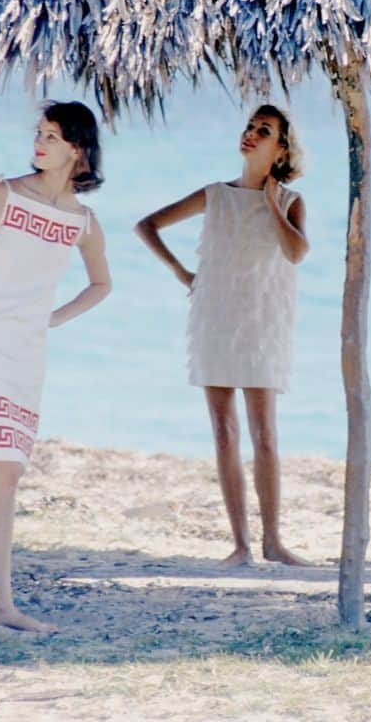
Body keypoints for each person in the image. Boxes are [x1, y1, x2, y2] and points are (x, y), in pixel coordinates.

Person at [0, 101, 112, 646]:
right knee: (5, 469)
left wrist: (52, 319)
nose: (39, 143)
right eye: (38, 133)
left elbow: (101, 284)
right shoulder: (6, 195)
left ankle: (0, 603)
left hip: (26, 349)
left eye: (52, 136)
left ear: (77, 149)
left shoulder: (82, 221)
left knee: (7, 473)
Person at [135, 105, 309, 567]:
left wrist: (272, 205)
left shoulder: (291, 201)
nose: (251, 135)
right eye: (251, 127)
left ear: (281, 149)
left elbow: (296, 252)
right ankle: (241, 544)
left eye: (264, 131)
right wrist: (182, 272)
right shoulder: (215, 195)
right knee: (225, 432)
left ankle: (274, 541)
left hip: (263, 322)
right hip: (215, 316)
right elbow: (146, 226)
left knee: (265, 434)